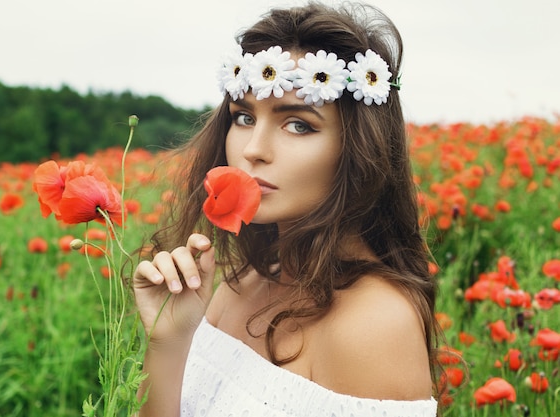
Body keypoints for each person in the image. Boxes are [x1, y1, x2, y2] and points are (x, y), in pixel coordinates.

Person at [132, 2, 441, 416]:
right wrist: (168, 342)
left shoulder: (374, 325)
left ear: (360, 149)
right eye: (243, 118)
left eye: (298, 124)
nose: (253, 150)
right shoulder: (244, 282)